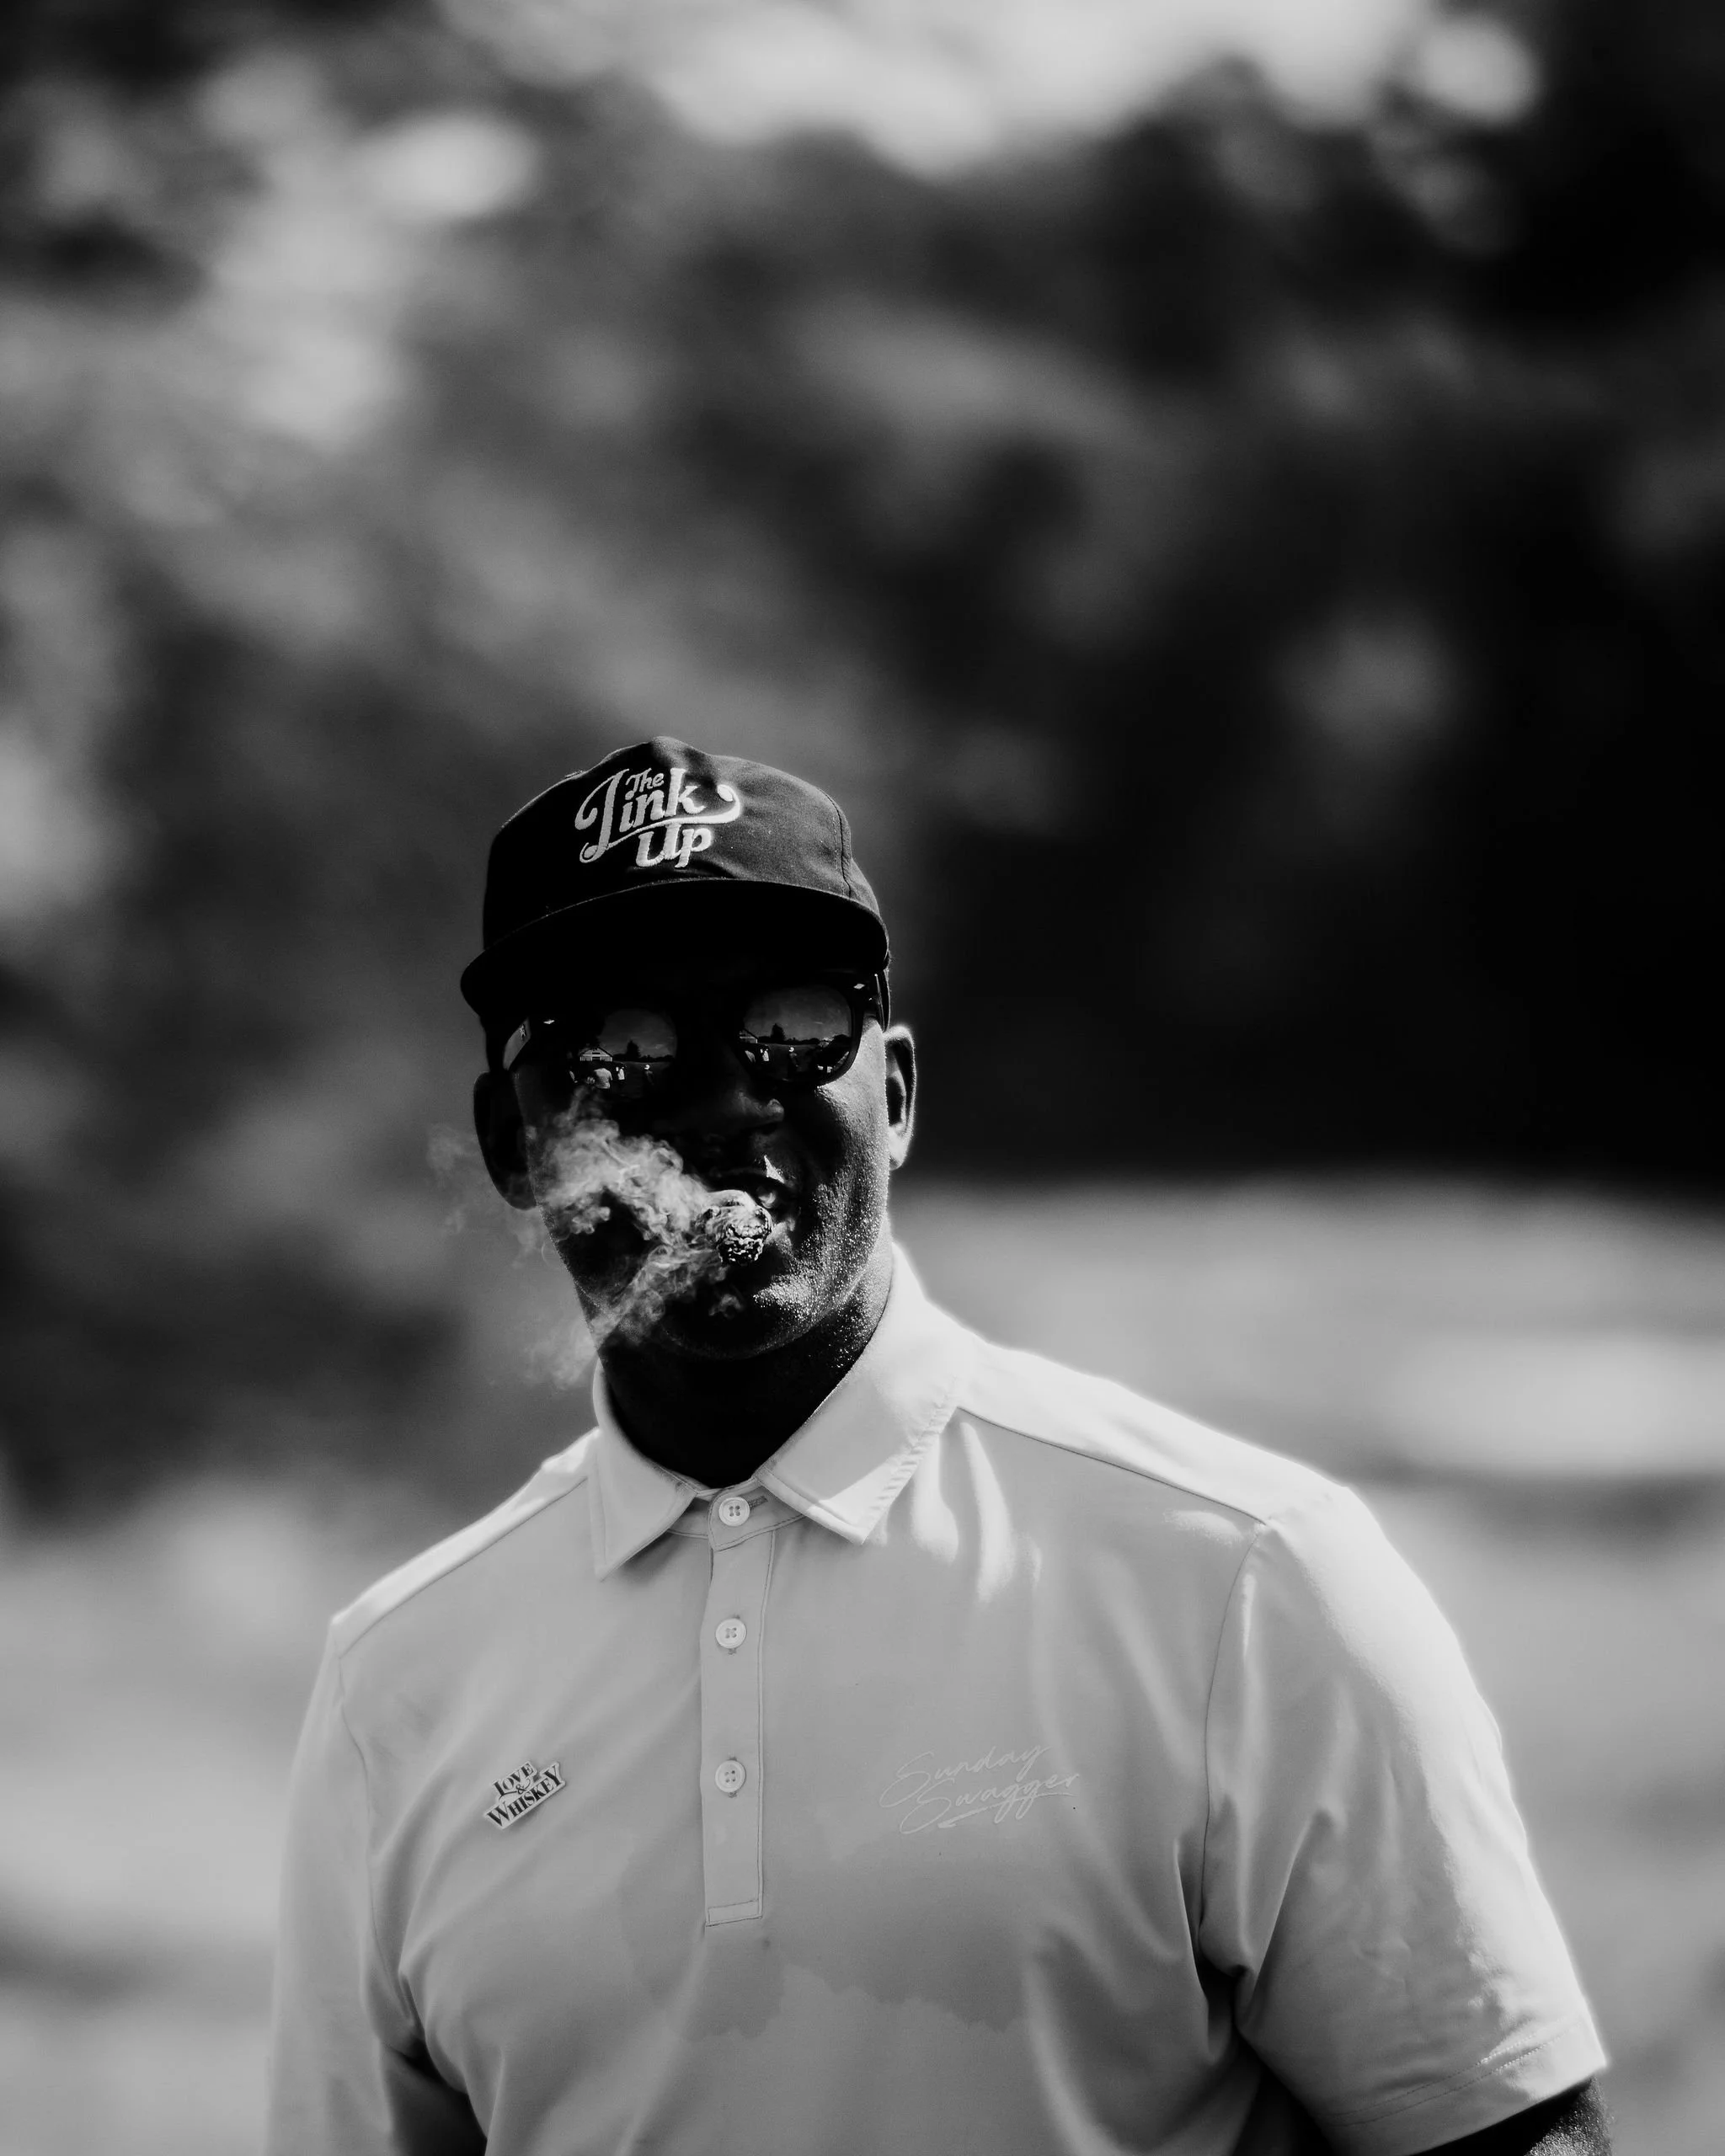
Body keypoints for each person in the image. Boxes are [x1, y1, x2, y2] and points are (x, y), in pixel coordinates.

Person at [265, 738, 1611, 2156]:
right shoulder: (396, 1691)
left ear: (895, 1094)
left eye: (792, 1024)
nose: (723, 1099)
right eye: (618, 1049)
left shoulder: (1244, 1581)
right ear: (516, 1145)